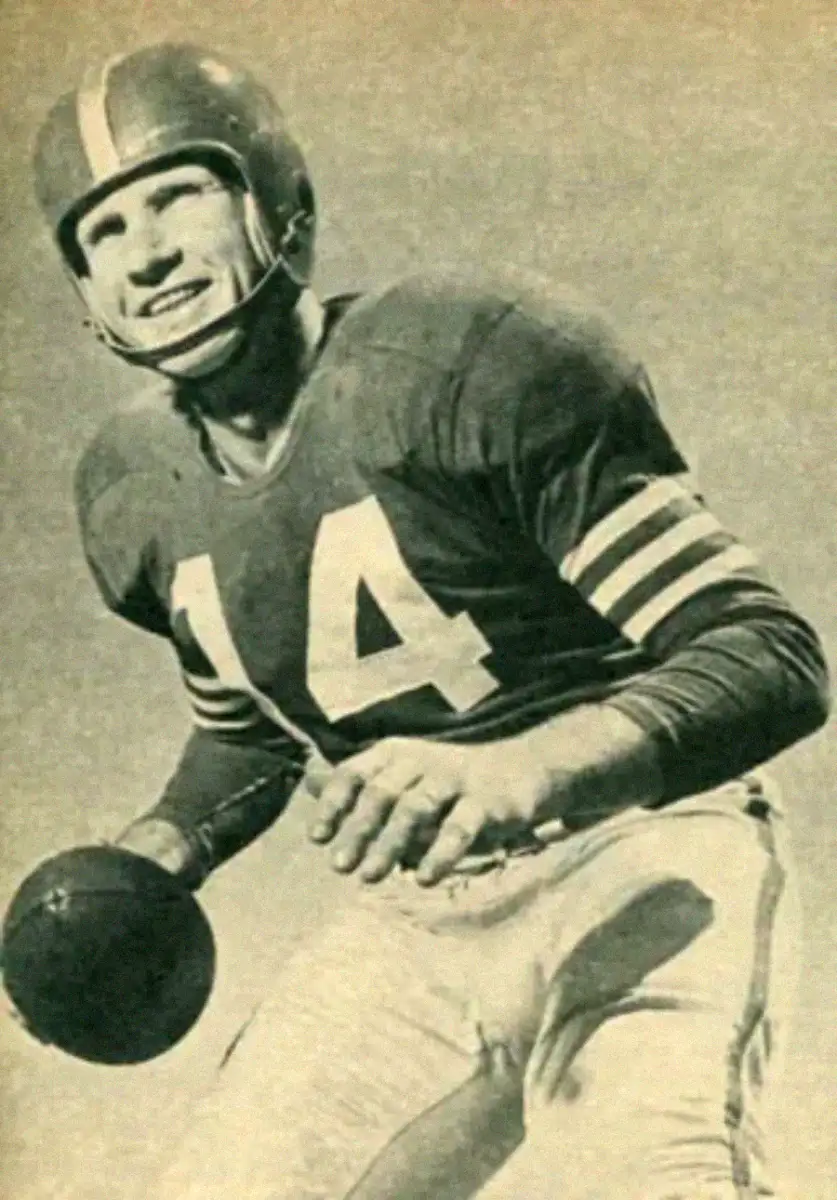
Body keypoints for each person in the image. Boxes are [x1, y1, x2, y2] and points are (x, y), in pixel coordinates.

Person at [32, 42, 829, 1200]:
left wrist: (535, 766)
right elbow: (261, 722)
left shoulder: (460, 362)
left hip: (638, 847)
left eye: (177, 197)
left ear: (278, 206)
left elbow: (767, 652)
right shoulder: (133, 492)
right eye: (101, 234)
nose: (146, 255)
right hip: (422, 919)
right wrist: (169, 839)